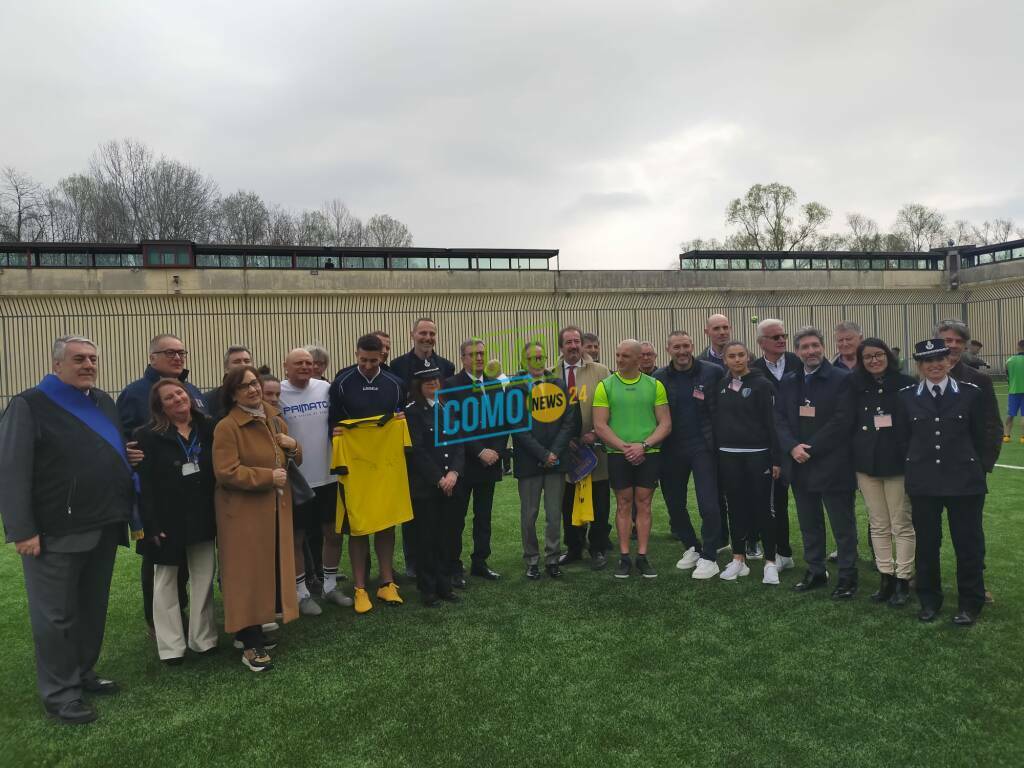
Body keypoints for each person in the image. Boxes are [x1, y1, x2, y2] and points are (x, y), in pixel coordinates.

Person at [0, 336, 133, 723]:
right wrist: (22, 529)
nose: (88, 364)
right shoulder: (29, 405)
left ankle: (82, 673)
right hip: (55, 531)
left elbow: (105, 450)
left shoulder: (103, 402)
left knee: (91, 610)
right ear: (57, 364)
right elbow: (12, 470)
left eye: (93, 358)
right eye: (79, 359)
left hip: (104, 525)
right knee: (55, 617)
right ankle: (60, 694)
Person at [117, 334, 207, 635]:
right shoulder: (134, 393)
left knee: (193, 562)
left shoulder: (191, 389)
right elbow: (125, 434)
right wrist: (127, 450)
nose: (177, 357)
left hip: (195, 497)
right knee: (160, 559)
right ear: (152, 356)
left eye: (181, 352)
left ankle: (194, 621)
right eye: (169, 352)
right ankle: (158, 622)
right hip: (159, 495)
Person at [213, 365, 301, 671]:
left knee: (265, 569)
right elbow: (225, 472)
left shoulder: (272, 416)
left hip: (273, 509)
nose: (253, 390)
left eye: (254, 383)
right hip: (242, 513)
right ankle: (250, 644)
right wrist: (266, 477)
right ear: (233, 394)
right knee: (246, 575)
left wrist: (294, 447)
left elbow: (291, 457)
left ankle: (251, 630)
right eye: (244, 387)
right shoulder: (227, 427)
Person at [897, 339, 988, 625]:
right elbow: (902, 440)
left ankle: (970, 603)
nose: (934, 365)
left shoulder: (972, 394)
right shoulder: (906, 397)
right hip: (924, 482)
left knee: (968, 544)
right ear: (919, 366)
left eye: (940, 359)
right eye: (927, 361)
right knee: (927, 544)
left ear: (949, 361)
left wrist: (978, 469)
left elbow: (983, 436)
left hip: (965, 482)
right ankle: (929, 599)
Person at [134, 378, 218, 665]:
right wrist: (151, 525)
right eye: (168, 398)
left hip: (204, 514)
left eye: (180, 393)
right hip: (166, 519)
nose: (177, 399)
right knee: (166, 583)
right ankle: (171, 647)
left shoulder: (208, 426)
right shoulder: (146, 436)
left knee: (203, 577)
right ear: (159, 407)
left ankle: (203, 638)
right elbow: (143, 485)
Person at [775, 326, 859, 598]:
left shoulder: (841, 378)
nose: (810, 351)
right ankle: (815, 570)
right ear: (797, 351)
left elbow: (842, 420)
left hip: (833, 463)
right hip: (799, 463)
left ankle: (847, 577)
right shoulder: (789, 380)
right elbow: (779, 418)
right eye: (804, 347)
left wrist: (809, 447)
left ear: (823, 348)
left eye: (815, 346)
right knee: (809, 523)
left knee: (842, 526)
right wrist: (791, 447)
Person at [328, 334, 407, 613]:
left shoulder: (396, 384)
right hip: (356, 467)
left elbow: (400, 416)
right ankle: (360, 588)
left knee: (386, 523)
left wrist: (400, 421)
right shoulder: (341, 383)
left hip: (385, 467)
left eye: (374, 360)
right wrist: (336, 433)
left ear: (383, 356)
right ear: (356, 354)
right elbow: (332, 424)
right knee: (358, 527)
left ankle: (387, 583)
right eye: (363, 360)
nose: (369, 365)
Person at [279, 348, 353, 614]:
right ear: (285, 366)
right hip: (298, 481)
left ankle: (330, 586)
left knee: (333, 534)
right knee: (296, 538)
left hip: (329, 477)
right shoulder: (279, 393)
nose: (305, 367)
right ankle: (301, 593)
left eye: (309, 363)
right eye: (298, 363)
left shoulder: (325, 388)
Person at [593, 339, 671, 579]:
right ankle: (625, 557)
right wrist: (626, 448)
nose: (619, 360)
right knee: (624, 504)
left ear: (639, 359)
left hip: (649, 454)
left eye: (625, 356)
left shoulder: (655, 385)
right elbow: (600, 425)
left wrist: (644, 446)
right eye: (618, 355)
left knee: (644, 503)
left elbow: (665, 423)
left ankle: (643, 556)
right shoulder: (604, 386)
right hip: (619, 455)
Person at [847, 338, 916, 607]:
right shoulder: (856, 385)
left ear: (888, 356)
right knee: (878, 524)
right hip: (866, 463)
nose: (874, 361)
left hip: (898, 463)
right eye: (868, 357)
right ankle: (885, 577)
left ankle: (903, 579)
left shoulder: (906, 383)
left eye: (878, 355)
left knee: (901, 523)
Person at [654, 330, 724, 579]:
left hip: (703, 447)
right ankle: (692, 547)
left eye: (685, 346)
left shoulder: (713, 372)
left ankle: (710, 555)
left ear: (692, 346)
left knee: (709, 504)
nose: (682, 352)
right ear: (668, 350)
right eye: (676, 347)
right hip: (671, 449)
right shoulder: (658, 377)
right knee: (674, 504)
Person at [714, 341, 782, 584]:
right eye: (731, 356)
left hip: (758, 454)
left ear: (748, 357)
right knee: (735, 507)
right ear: (725, 360)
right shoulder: (721, 385)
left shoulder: (762, 385)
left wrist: (775, 458)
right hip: (728, 455)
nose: (737, 360)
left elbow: (772, 423)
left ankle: (770, 562)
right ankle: (738, 558)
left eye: (741, 355)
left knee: (764, 508)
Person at [513, 342, 580, 579]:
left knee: (554, 515)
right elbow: (518, 428)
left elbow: (569, 422)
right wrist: (543, 454)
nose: (537, 362)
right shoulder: (515, 389)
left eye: (541, 357)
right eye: (532, 358)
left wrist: (554, 452)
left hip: (556, 461)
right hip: (529, 462)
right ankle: (531, 560)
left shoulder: (559, 385)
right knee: (529, 516)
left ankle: (553, 559)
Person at [441, 339, 506, 583]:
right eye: (473, 354)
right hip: (463, 465)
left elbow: (502, 423)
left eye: (482, 353)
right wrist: (479, 451)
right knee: (456, 519)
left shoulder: (494, 386)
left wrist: (496, 451)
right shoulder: (451, 386)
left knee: (484, 517)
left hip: (490, 463)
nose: (479, 358)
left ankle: (480, 562)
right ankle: (453, 567)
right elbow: (454, 426)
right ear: (463, 358)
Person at [405, 366, 465, 605]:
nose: (432, 384)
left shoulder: (448, 408)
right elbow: (417, 451)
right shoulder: (413, 412)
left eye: (435, 380)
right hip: (427, 486)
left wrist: (454, 473)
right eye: (426, 381)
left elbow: (459, 443)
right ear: (418, 386)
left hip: (451, 483)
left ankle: (444, 584)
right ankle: (427, 588)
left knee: (446, 536)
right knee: (426, 538)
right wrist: (438, 478)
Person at [555, 326, 612, 569]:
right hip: (565, 452)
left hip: (595, 451)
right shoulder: (550, 374)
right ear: (561, 346)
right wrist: (560, 440)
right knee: (567, 502)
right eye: (568, 342)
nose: (574, 346)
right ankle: (574, 547)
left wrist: (596, 432)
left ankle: (597, 547)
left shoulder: (600, 372)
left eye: (577, 341)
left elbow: (612, 406)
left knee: (599, 501)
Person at [751, 318, 801, 571]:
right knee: (776, 502)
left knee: (808, 501)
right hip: (772, 445)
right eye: (775, 337)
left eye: (783, 335)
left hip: (801, 442)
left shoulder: (797, 362)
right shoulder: (754, 369)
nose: (782, 340)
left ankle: (819, 554)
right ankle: (783, 552)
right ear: (761, 343)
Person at [390, 317, 456, 394]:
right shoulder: (397, 365)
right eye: (423, 333)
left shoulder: (447, 367)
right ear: (412, 335)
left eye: (432, 334)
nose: (428, 338)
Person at [204, 345, 253, 421]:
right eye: (237, 362)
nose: (243, 365)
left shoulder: (260, 394)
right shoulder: (208, 400)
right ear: (226, 369)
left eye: (247, 361)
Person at [1004, 340, 1024, 443]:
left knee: (1010, 414)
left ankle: (1006, 436)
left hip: (1013, 391)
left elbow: (1007, 377)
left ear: (1018, 347)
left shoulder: (1009, 360)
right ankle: (1023, 438)